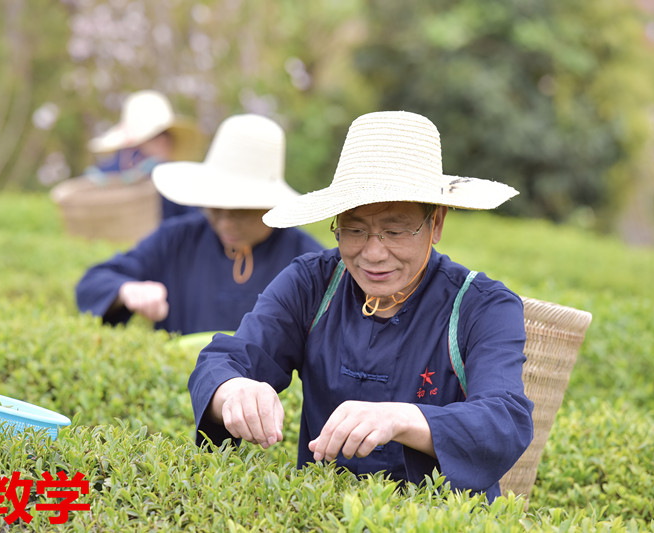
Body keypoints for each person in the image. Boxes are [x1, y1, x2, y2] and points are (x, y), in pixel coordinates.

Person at [188, 111, 535, 500]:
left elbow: (505, 420)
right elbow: (225, 358)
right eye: (354, 229)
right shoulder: (312, 282)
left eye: (395, 229)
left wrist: (402, 418)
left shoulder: (482, 305)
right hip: (321, 516)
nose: (372, 253)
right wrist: (233, 390)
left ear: (436, 223)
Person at [75, 114, 324, 335]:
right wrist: (126, 290)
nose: (226, 224)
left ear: (272, 205)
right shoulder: (177, 239)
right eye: (215, 209)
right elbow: (94, 282)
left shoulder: (307, 260)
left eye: (241, 212)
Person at [87, 90, 207, 220]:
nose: (165, 142)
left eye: (166, 135)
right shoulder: (102, 177)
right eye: (156, 136)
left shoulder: (178, 179)